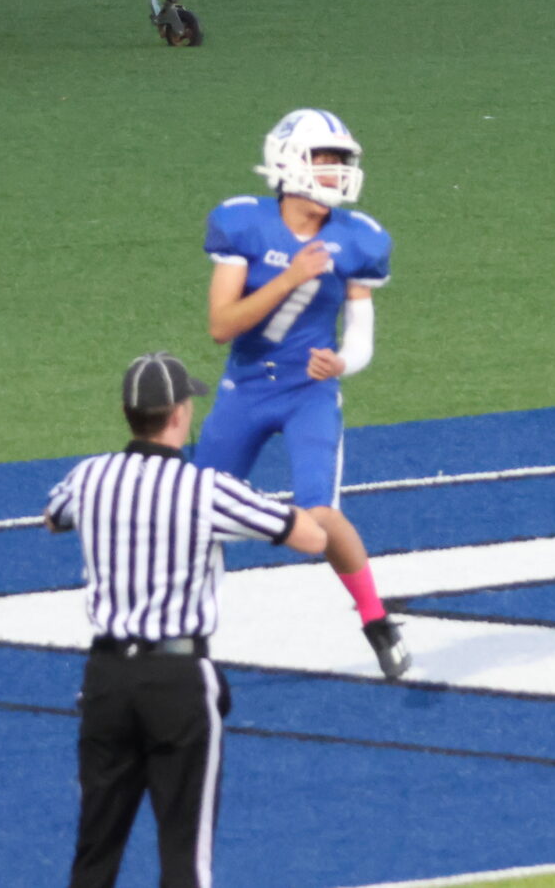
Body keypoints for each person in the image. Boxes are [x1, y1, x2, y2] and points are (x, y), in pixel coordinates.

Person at [49, 351, 330, 888]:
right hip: (176, 679)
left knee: (94, 856)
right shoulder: (205, 489)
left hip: (106, 679)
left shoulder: (89, 477)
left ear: (129, 414)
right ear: (179, 413)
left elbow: (53, 516)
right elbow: (308, 537)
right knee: (185, 860)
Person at [194, 108, 410, 680]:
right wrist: (289, 278)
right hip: (244, 389)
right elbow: (221, 326)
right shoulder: (244, 223)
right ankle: (184, 639)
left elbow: (360, 337)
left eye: (342, 159)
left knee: (321, 515)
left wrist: (342, 362)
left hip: (308, 393)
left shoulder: (359, 238)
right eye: (326, 158)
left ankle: (376, 620)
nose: (337, 170)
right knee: (195, 519)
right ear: (290, 161)